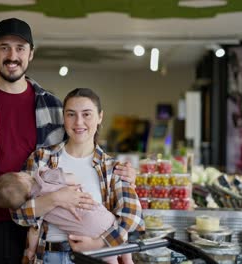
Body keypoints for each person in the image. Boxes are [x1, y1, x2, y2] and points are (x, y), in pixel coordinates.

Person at [0, 18, 137, 264]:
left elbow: (79, 152)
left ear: (31, 54)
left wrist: (120, 173)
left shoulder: (52, 107)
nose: (12, 55)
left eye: (20, 48)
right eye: (4, 47)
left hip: (36, 231)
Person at [12, 88, 145, 264]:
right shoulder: (41, 158)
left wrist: (99, 243)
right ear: (63, 117)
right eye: (71, 114)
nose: (78, 122)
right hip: (49, 257)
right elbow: (18, 213)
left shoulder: (113, 168)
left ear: (100, 117)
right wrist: (56, 198)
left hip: (95, 258)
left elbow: (133, 218)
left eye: (87, 114)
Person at [0, 168, 134, 263]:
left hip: (83, 234)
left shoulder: (37, 205)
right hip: (98, 218)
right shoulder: (44, 176)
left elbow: (34, 230)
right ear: (21, 177)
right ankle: (128, 260)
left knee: (110, 259)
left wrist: (30, 250)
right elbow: (73, 179)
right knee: (118, 232)